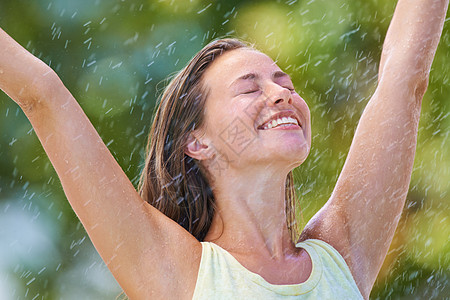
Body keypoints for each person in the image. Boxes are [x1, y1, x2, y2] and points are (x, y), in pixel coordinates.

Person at [0, 0, 448, 299]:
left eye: (285, 83)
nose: (281, 94)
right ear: (198, 142)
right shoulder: (175, 271)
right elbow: (44, 97)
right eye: (249, 88)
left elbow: (405, 77)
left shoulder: (343, 252)